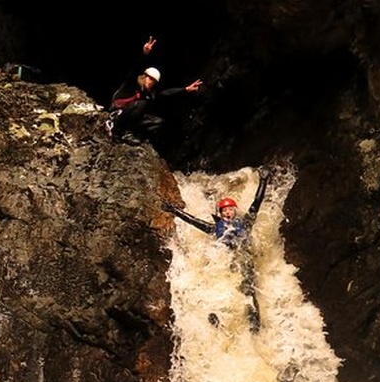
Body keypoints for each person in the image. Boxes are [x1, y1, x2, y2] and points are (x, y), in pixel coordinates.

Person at [161, 167, 273, 332]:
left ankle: (255, 328)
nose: (228, 212)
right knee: (228, 294)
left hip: (245, 262)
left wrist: (263, 180)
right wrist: (174, 210)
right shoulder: (215, 229)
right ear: (221, 214)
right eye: (225, 210)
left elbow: (257, 202)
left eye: (230, 210)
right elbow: (193, 221)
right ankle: (222, 327)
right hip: (228, 266)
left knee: (249, 293)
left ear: (235, 211)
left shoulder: (246, 223)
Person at [106, 36, 203, 143]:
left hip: (131, 120)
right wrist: (145, 54)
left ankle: (139, 137)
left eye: (153, 81)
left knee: (158, 122)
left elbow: (165, 94)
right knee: (141, 104)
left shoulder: (147, 94)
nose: (150, 82)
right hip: (118, 118)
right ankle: (126, 134)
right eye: (150, 78)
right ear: (144, 76)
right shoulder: (132, 83)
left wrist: (185, 89)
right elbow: (137, 67)